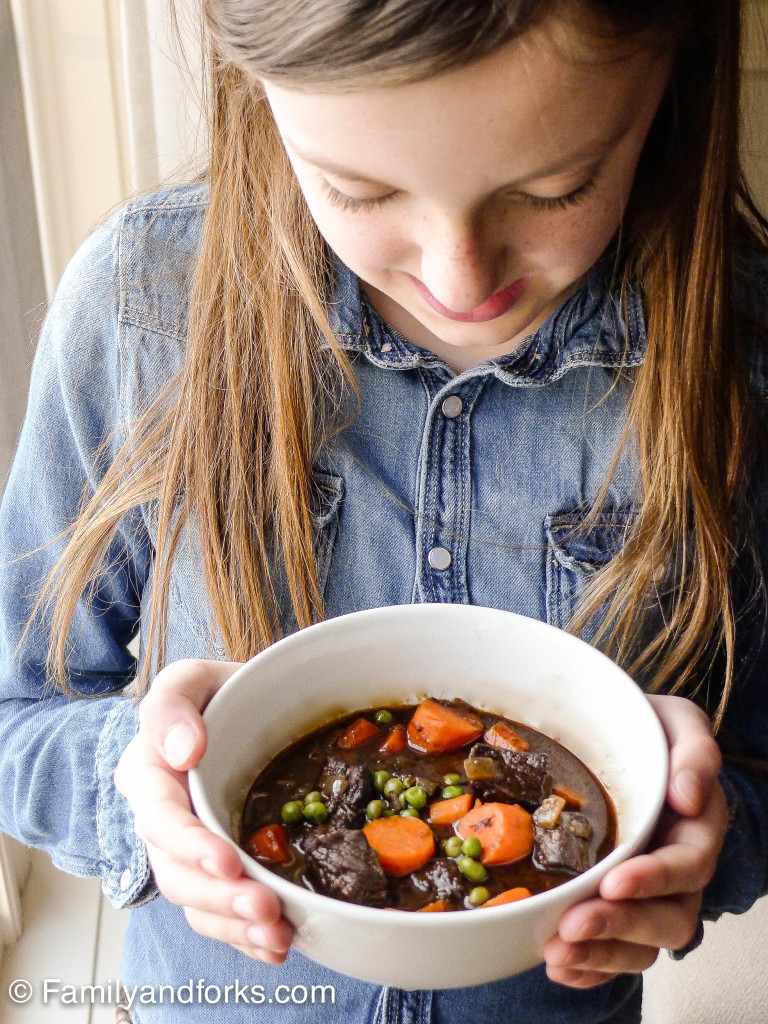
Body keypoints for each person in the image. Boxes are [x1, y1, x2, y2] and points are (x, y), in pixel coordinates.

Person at [1, 0, 767, 1021]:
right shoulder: (138, 309)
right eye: (358, 190)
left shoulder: (744, 359)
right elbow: (14, 709)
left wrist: (709, 824)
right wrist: (136, 788)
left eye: (555, 188)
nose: (459, 277)